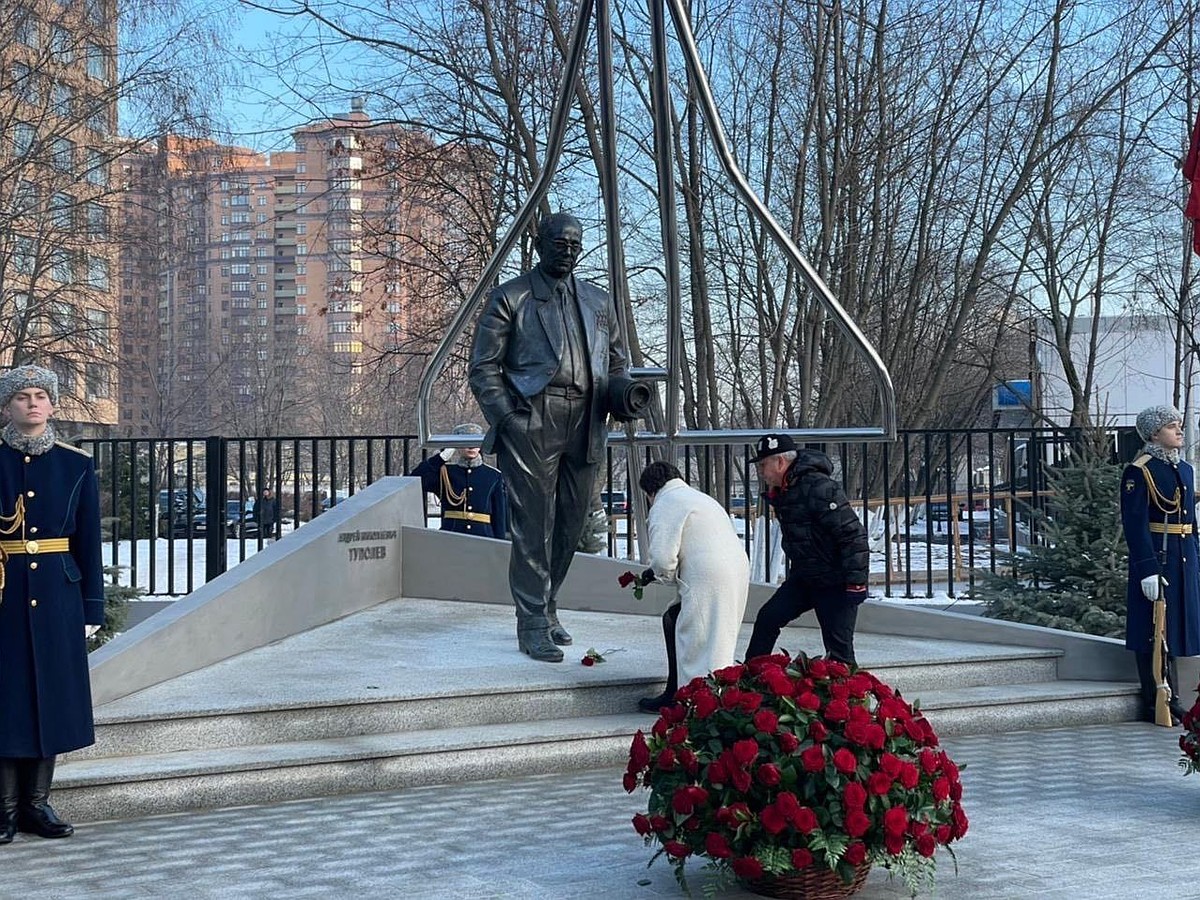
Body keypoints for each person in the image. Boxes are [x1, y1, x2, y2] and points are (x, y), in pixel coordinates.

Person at [469, 212, 647, 662]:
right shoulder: (513, 297)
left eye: (575, 245)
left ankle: (548, 608)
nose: (568, 251)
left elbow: (617, 363)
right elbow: (483, 366)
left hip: (588, 419)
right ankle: (530, 621)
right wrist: (508, 417)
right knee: (532, 525)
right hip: (534, 416)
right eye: (560, 243)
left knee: (571, 523)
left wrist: (623, 393)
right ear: (540, 244)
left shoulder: (598, 301)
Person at [0, 365, 104, 843]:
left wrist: (91, 608)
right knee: (7, 697)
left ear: (54, 404)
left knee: (52, 699)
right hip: (4, 592)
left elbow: (87, 542)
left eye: (41, 395)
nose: (33, 403)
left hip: (58, 598)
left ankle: (37, 805)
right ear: (7, 406)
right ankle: (4, 808)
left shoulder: (76, 463)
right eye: (22, 396)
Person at [744, 433, 869, 664]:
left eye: (763, 465)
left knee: (839, 653)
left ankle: (850, 698)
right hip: (806, 577)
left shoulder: (818, 487)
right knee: (768, 618)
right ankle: (751, 679)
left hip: (836, 579)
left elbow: (852, 534)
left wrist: (856, 582)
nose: (760, 472)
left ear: (780, 462)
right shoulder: (785, 489)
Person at [636, 461, 750, 712]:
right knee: (700, 629)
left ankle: (694, 701)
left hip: (708, 575)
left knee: (698, 640)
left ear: (650, 491)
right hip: (737, 568)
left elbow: (663, 558)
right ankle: (678, 691)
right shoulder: (699, 498)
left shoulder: (665, 503)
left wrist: (656, 574)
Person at [1120, 405, 1200, 724]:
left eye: (1179, 425)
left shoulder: (1185, 469)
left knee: (1180, 625)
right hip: (1158, 555)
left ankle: (1178, 695)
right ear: (1154, 434)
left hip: (1184, 556)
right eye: (1171, 426)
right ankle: (1157, 698)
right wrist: (1147, 568)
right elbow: (1135, 523)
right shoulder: (1140, 470)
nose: (1179, 431)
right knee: (1154, 629)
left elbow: (1189, 521)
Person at [409, 423, 508, 539]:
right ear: (456, 445)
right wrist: (441, 458)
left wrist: (499, 547)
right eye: (465, 442)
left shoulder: (493, 476)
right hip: (451, 537)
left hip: (483, 538)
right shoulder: (445, 473)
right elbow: (415, 480)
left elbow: (499, 517)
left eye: (475, 442)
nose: (471, 447)